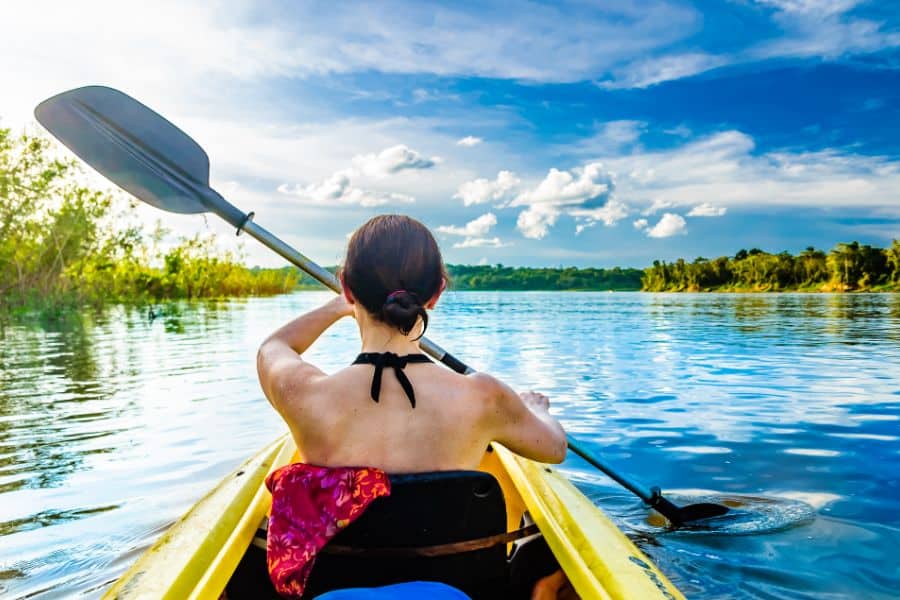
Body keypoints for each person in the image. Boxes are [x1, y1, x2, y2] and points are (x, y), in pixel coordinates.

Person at [256, 214, 568, 598]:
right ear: (435, 294)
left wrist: (337, 306)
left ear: (348, 287)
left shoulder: (305, 395)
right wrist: (536, 408)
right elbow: (554, 449)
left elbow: (273, 348)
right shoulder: (483, 397)